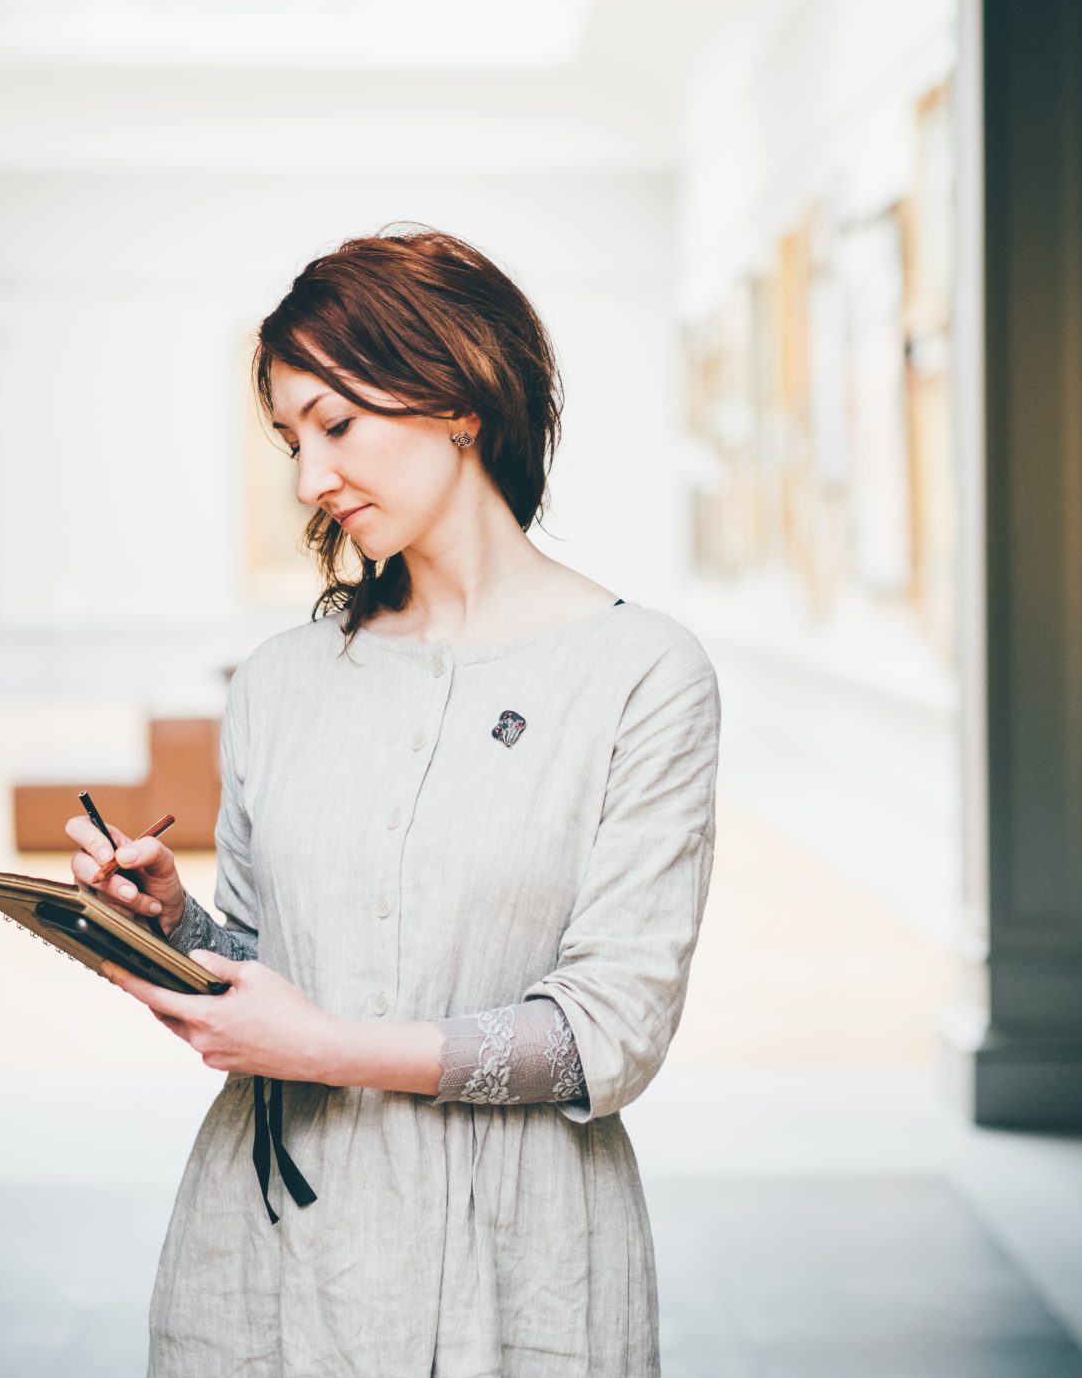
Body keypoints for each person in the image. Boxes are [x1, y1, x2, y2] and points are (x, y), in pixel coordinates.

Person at [65, 227, 721, 1377]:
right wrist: (174, 921)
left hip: (524, 1253)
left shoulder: (642, 675)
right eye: (288, 438)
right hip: (268, 1243)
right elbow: (271, 960)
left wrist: (327, 1047)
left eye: (336, 423)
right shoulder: (283, 678)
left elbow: (607, 1030)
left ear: (456, 397)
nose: (310, 477)